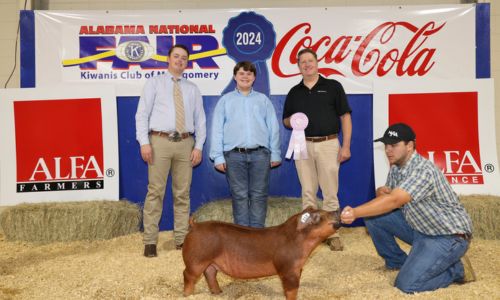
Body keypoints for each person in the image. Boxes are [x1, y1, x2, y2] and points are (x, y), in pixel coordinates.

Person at [341, 123, 476, 293]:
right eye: (386, 146)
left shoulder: (423, 169)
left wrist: (355, 212)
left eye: (394, 145)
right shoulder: (397, 167)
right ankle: (397, 262)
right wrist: (380, 192)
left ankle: (457, 269)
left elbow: (394, 201)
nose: (388, 150)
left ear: (410, 146)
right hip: (421, 229)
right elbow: (388, 200)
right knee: (374, 218)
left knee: (407, 285)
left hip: (447, 236)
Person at [135, 44, 206, 257]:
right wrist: (144, 142)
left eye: (184, 58)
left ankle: (182, 240)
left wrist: (199, 146)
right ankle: (150, 241)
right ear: (168, 59)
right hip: (159, 141)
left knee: (182, 193)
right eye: (176, 56)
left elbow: (200, 120)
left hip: (185, 143)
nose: (180, 61)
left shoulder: (192, 88)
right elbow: (142, 115)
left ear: (187, 62)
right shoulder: (154, 83)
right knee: (155, 191)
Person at [282, 48, 352, 251]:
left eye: (310, 60)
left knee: (330, 191)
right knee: (308, 191)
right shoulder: (295, 92)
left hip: (329, 143)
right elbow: (286, 120)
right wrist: (292, 121)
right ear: (298, 67)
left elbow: (345, 116)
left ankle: (333, 232)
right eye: (302, 62)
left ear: (317, 62)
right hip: (302, 144)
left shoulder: (333, 86)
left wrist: (346, 145)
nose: (307, 64)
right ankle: (309, 232)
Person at [210, 61, 281, 228]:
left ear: (254, 77)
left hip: (260, 154)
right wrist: (218, 156)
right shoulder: (225, 101)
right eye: (241, 73)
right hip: (233, 155)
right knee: (239, 195)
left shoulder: (263, 100)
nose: (245, 77)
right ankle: (242, 235)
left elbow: (273, 127)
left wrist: (275, 153)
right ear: (235, 77)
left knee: (259, 195)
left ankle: (256, 235)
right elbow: (217, 129)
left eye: (249, 74)